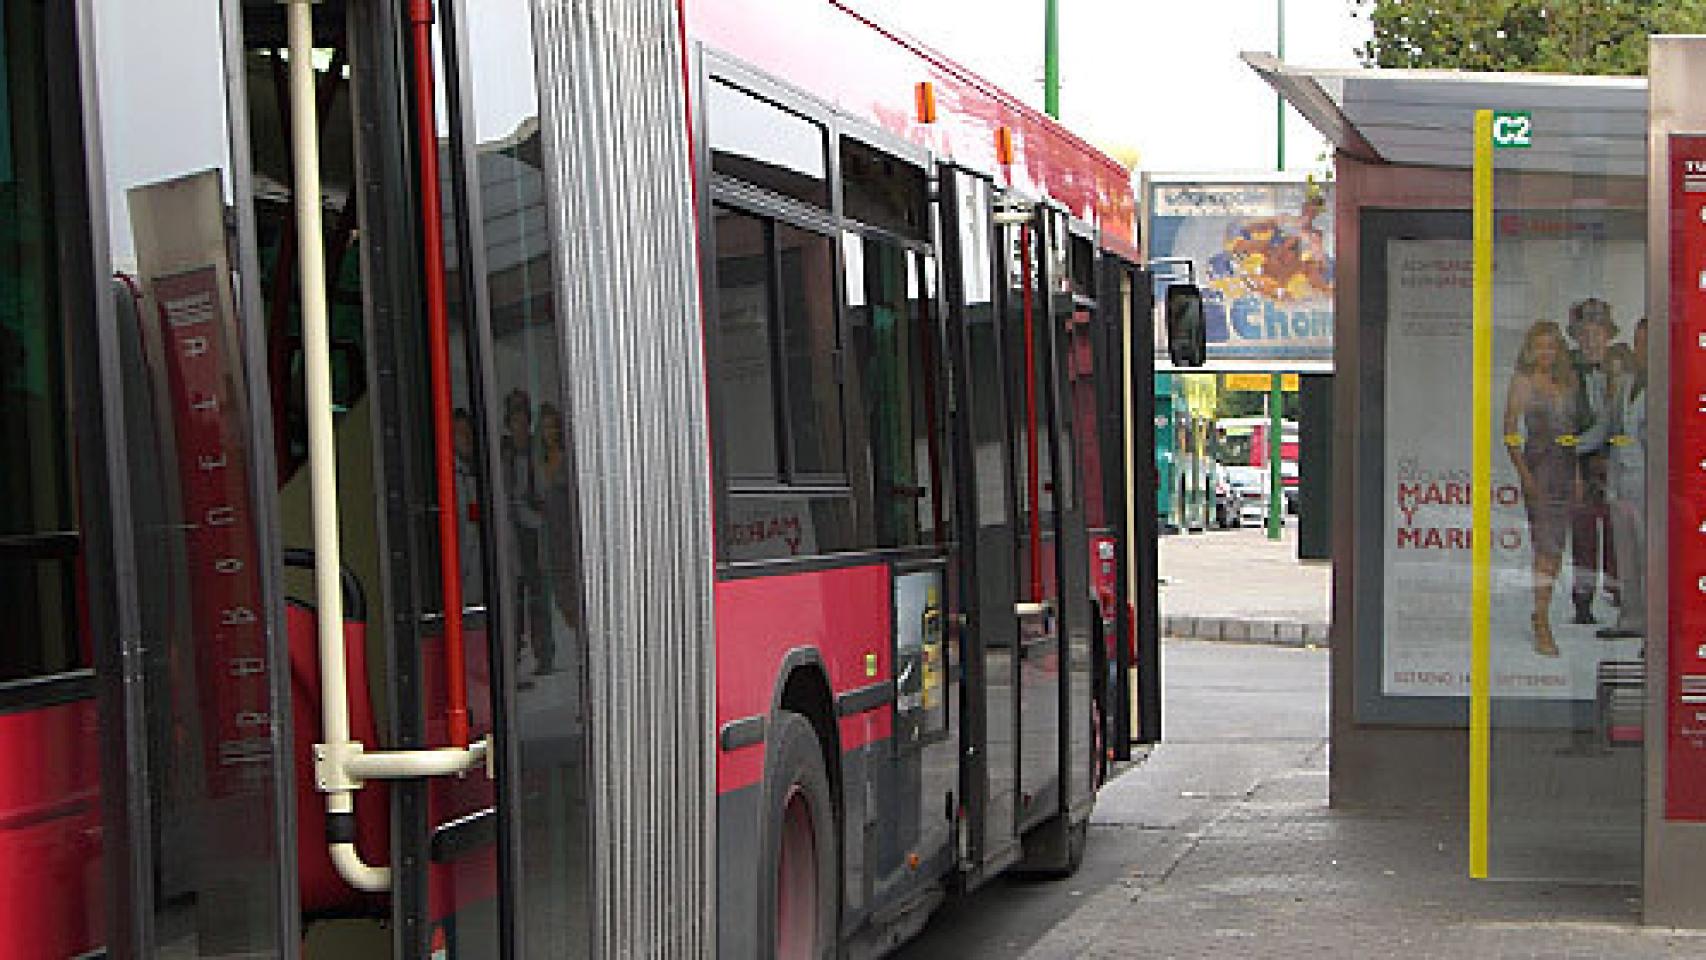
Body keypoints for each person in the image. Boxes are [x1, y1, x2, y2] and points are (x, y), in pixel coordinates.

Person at [1504, 320, 1579, 657]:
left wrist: (1576, 473)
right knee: (1544, 544)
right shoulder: (1523, 382)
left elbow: (1573, 431)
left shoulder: (1566, 382)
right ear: (1530, 349)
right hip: (1540, 465)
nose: (1546, 352)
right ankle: (1542, 619)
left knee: (1556, 545)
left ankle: (1543, 609)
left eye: (1552, 346)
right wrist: (1524, 474)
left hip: (1565, 465)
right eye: (1540, 346)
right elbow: (1510, 432)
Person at [1566, 298, 1618, 624]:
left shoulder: (1621, 366)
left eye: (1598, 332)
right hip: (1581, 462)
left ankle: (1619, 595)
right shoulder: (1566, 371)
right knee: (1584, 534)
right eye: (1585, 333)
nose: (1592, 340)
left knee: (1618, 531)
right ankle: (1582, 602)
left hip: (1618, 463)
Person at [1596, 322, 1646, 639]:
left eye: (1649, 342)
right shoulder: (1627, 384)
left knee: (1648, 554)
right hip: (1621, 480)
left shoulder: (1670, 380)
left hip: (1649, 481)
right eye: (1639, 342)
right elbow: (1607, 428)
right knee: (1625, 552)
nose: (1643, 349)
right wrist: (1570, 443)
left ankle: (1654, 625)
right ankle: (1630, 618)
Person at [501, 389, 550, 675]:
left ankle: (543, 653)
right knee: (516, 598)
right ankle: (517, 656)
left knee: (538, 594)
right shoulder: (503, 452)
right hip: (512, 533)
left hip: (534, 533)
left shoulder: (536, 450)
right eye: (515, 419)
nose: (520, 425)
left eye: (524, 419)